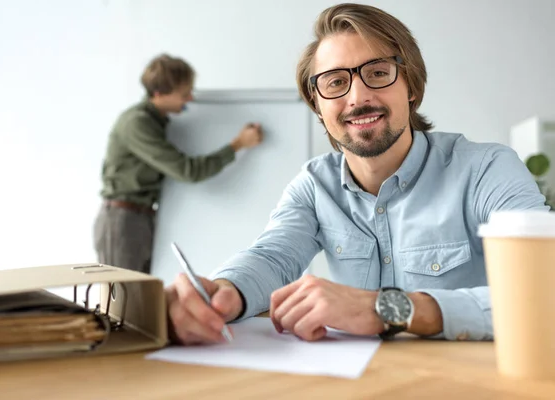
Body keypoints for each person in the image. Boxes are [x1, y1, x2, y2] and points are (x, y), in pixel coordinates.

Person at [164, 3, 549, 345]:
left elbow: (543, 291)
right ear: (318, 107)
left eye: (378, 73)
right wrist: (225, 291)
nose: (357, 97)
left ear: (411, 87)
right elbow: (273, 256)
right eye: (335, 82)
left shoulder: (487, 170)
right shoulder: (314, 187)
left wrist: (389, 309)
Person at [94, 54, 263, 274]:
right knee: (121, 303)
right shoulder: (137, 123)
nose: (190, 99)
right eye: (184, 94)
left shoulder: (156, 122)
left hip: (137, 219)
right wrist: (238, 144)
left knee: (138, 299)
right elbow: (189, 171)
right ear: (159, 94)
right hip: (123, 222)